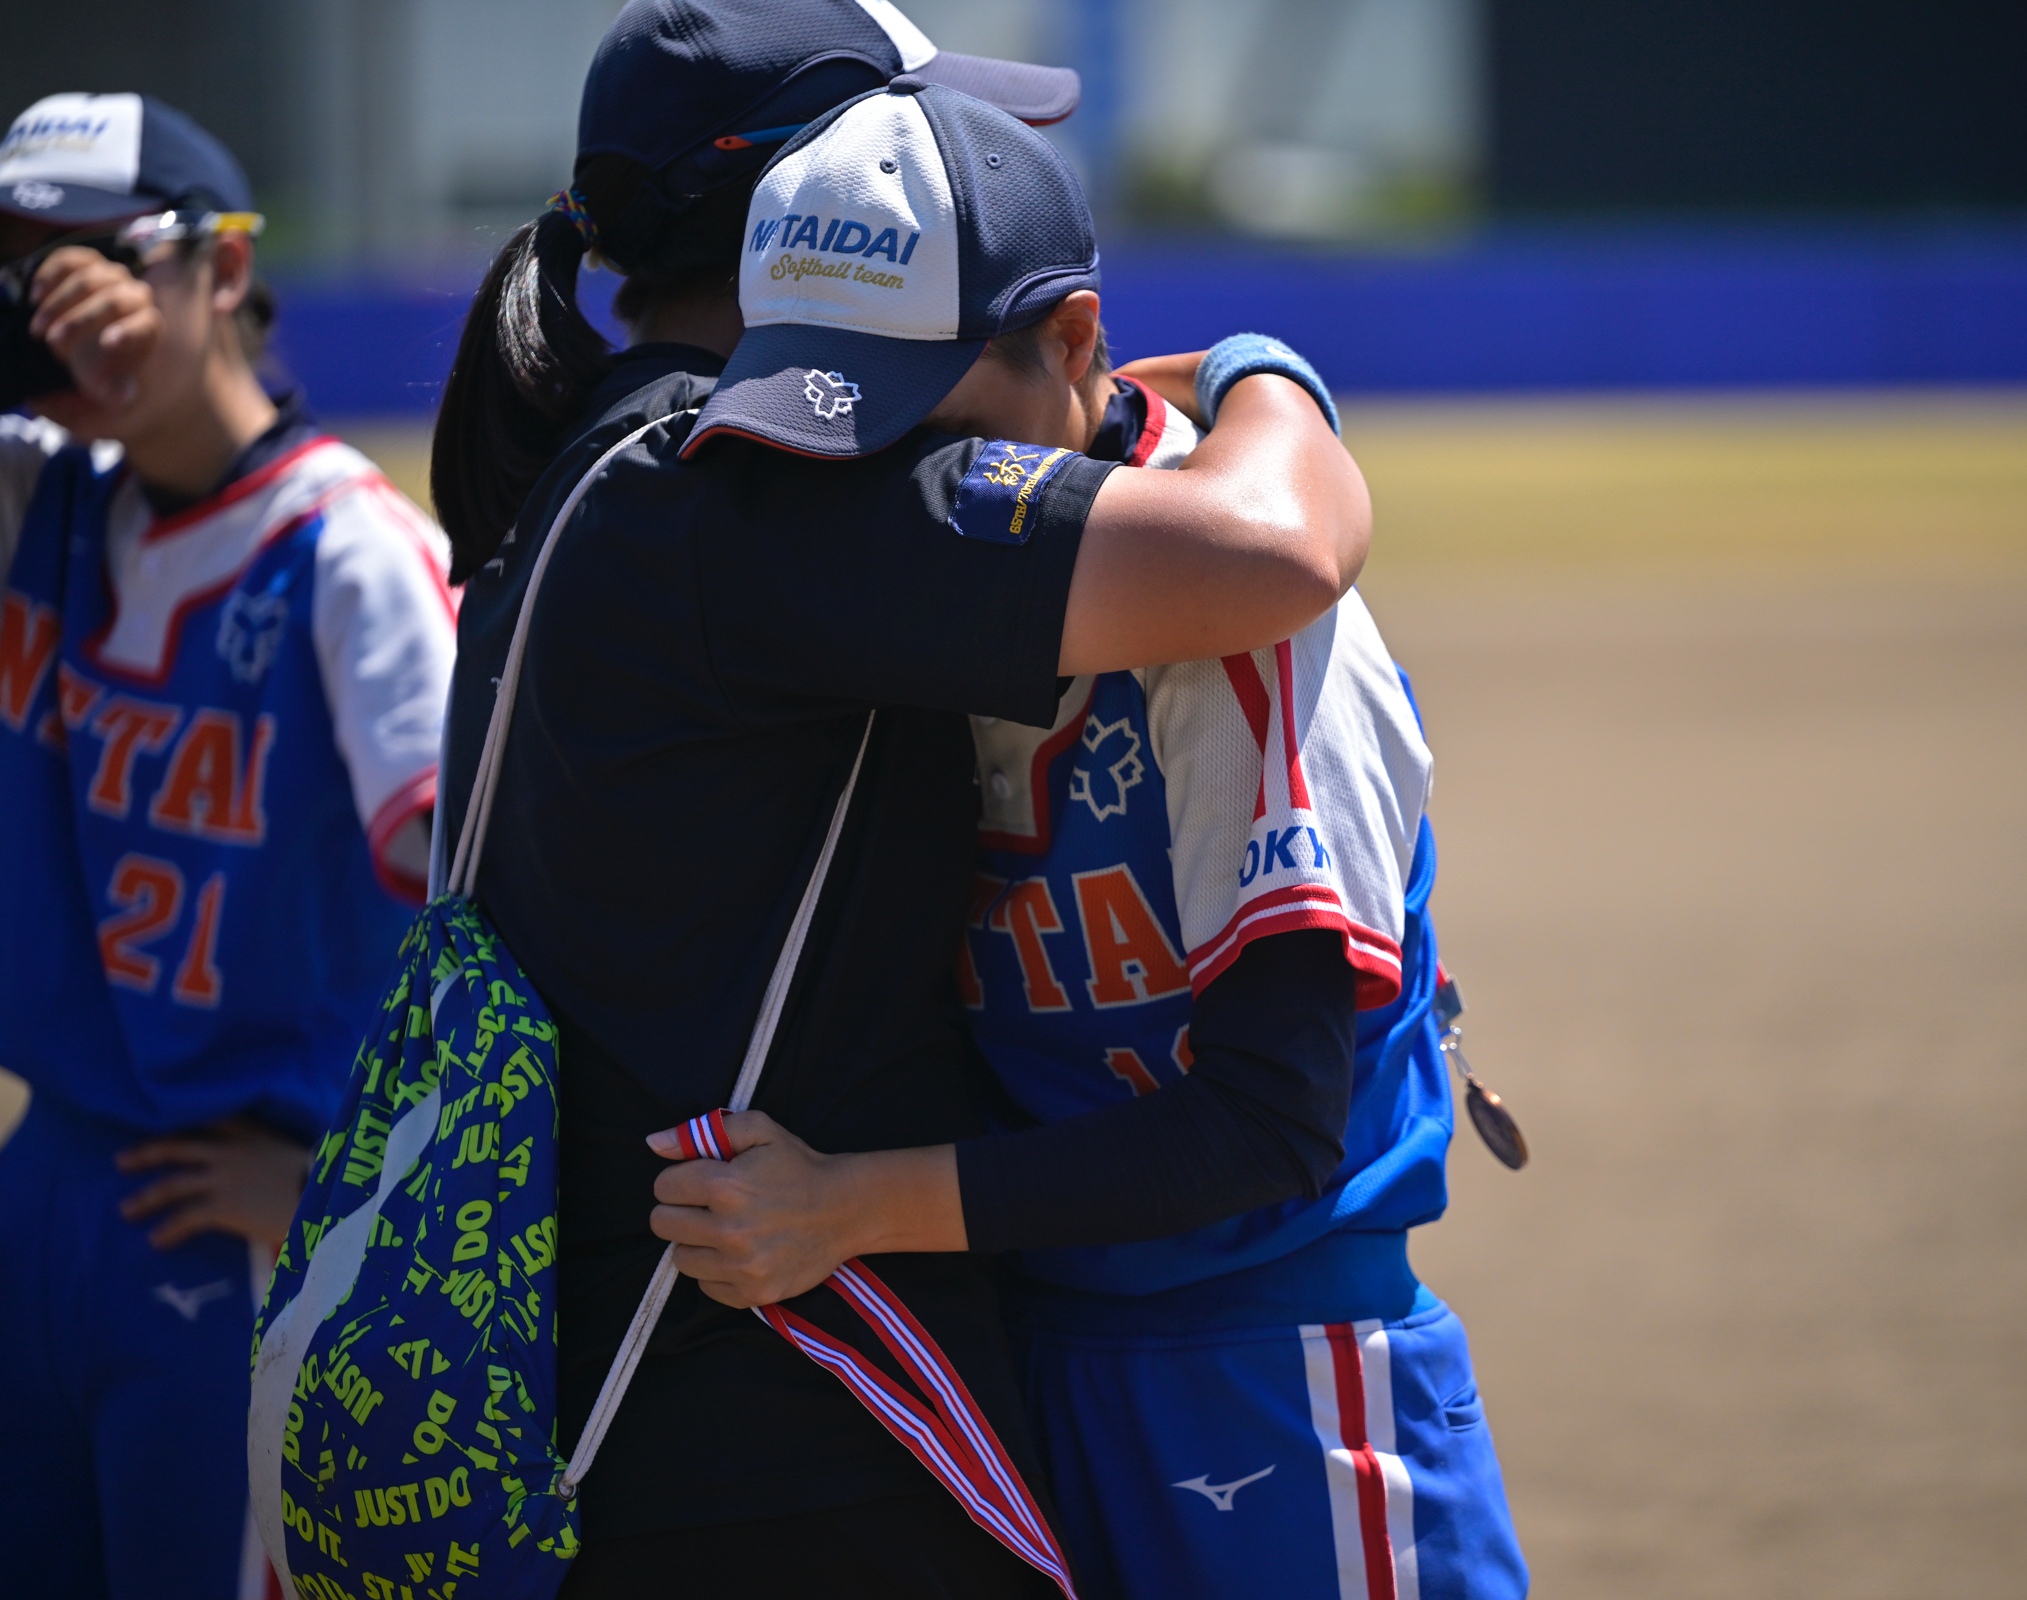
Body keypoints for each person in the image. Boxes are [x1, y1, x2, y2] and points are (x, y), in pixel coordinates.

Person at [425, 6, 1371, 1592]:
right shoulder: (760, 499)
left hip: (614, 1380)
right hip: (787, 1415)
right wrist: (1265, 376)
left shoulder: (605, 460)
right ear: (812, 206)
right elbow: (1271, 552)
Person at [700, 283, 1532, 1593]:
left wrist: (849, 1206)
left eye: (934, 415)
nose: (898, 466)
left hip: (1275, 1372)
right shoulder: (903, 578)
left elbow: (1267, 1123)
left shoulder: (1236, 603)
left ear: (1072, 341)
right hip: (1027, 1353)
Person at [0, 93, 456, 1600]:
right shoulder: (41, 499)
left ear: (227, 264)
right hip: (50, 1174)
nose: (68, 298)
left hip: (244, 1203)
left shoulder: (348, 549)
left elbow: (495, 918)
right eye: (28, 266)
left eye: (109, 253)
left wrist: (359, 1192)